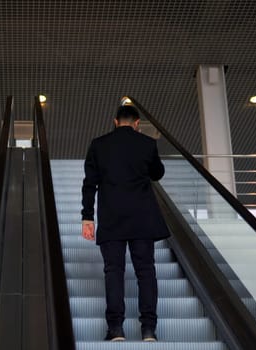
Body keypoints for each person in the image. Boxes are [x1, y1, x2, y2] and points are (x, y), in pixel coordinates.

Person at [81, 104, 170, 342]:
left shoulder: (99, 145)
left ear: (115, 121)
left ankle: (116, 329)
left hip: (112, 218)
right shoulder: (147, 144)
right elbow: (157, 173)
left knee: (113, 272)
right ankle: (149, 330)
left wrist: (87, 216)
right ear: (137, 123)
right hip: (143, 218)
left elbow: (90, 183)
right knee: (146, 272)